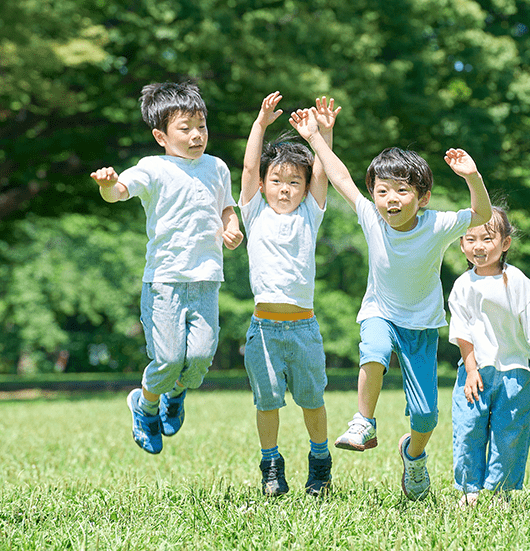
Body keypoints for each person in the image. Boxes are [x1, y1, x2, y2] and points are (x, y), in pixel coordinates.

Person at [290, 107, 492, 501]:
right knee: (375, 350)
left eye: (401, 191)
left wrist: (472, 176)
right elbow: (340, 177)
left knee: (426, 416)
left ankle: (413, 455)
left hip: (421, 325)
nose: (390, 199)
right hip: (379, 311)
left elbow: (482, 213)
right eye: (382, 191)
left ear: (422, 197)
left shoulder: (437, 225)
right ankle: (364, 421)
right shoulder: (371, 217)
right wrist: (315, 136)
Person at [90, 81, 243, 455]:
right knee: (170, 358)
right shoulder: (153, 167)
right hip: (164, 280)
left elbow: (226, 206)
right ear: (160, 135)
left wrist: (232, 225)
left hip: (206, 277)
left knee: (201, 357)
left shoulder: (217, 167)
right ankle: (145, 405)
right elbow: (120, 192)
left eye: (201, 126)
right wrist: (107, 186)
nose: (196, 135)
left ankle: (175, 394)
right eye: (185, 128)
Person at [239, 92, 340, 497]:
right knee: (267, 403)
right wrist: (260, 124)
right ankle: (271, 464)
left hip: (303, 329)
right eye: (277, 182)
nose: (285, 189)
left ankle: (320, 461)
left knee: (312, 400)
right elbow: (248, 166)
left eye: (294, 182)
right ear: (263, 186)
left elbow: (323, 174)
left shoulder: (309, 215)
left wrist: (323, 135)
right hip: (263, 330)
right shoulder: (254, 212)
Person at [449, 206, 530, 507]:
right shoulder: (462, 285)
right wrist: (470, 371)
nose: (479, 246)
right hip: (475, 372)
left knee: (510, 432)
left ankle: (499, 491)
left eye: (487, 238)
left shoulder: (517, 280)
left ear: (505, 242)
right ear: (461, 244)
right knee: (468, 428)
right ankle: (469, 489)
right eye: (470, 239)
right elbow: (463, 333)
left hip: (514, 370)